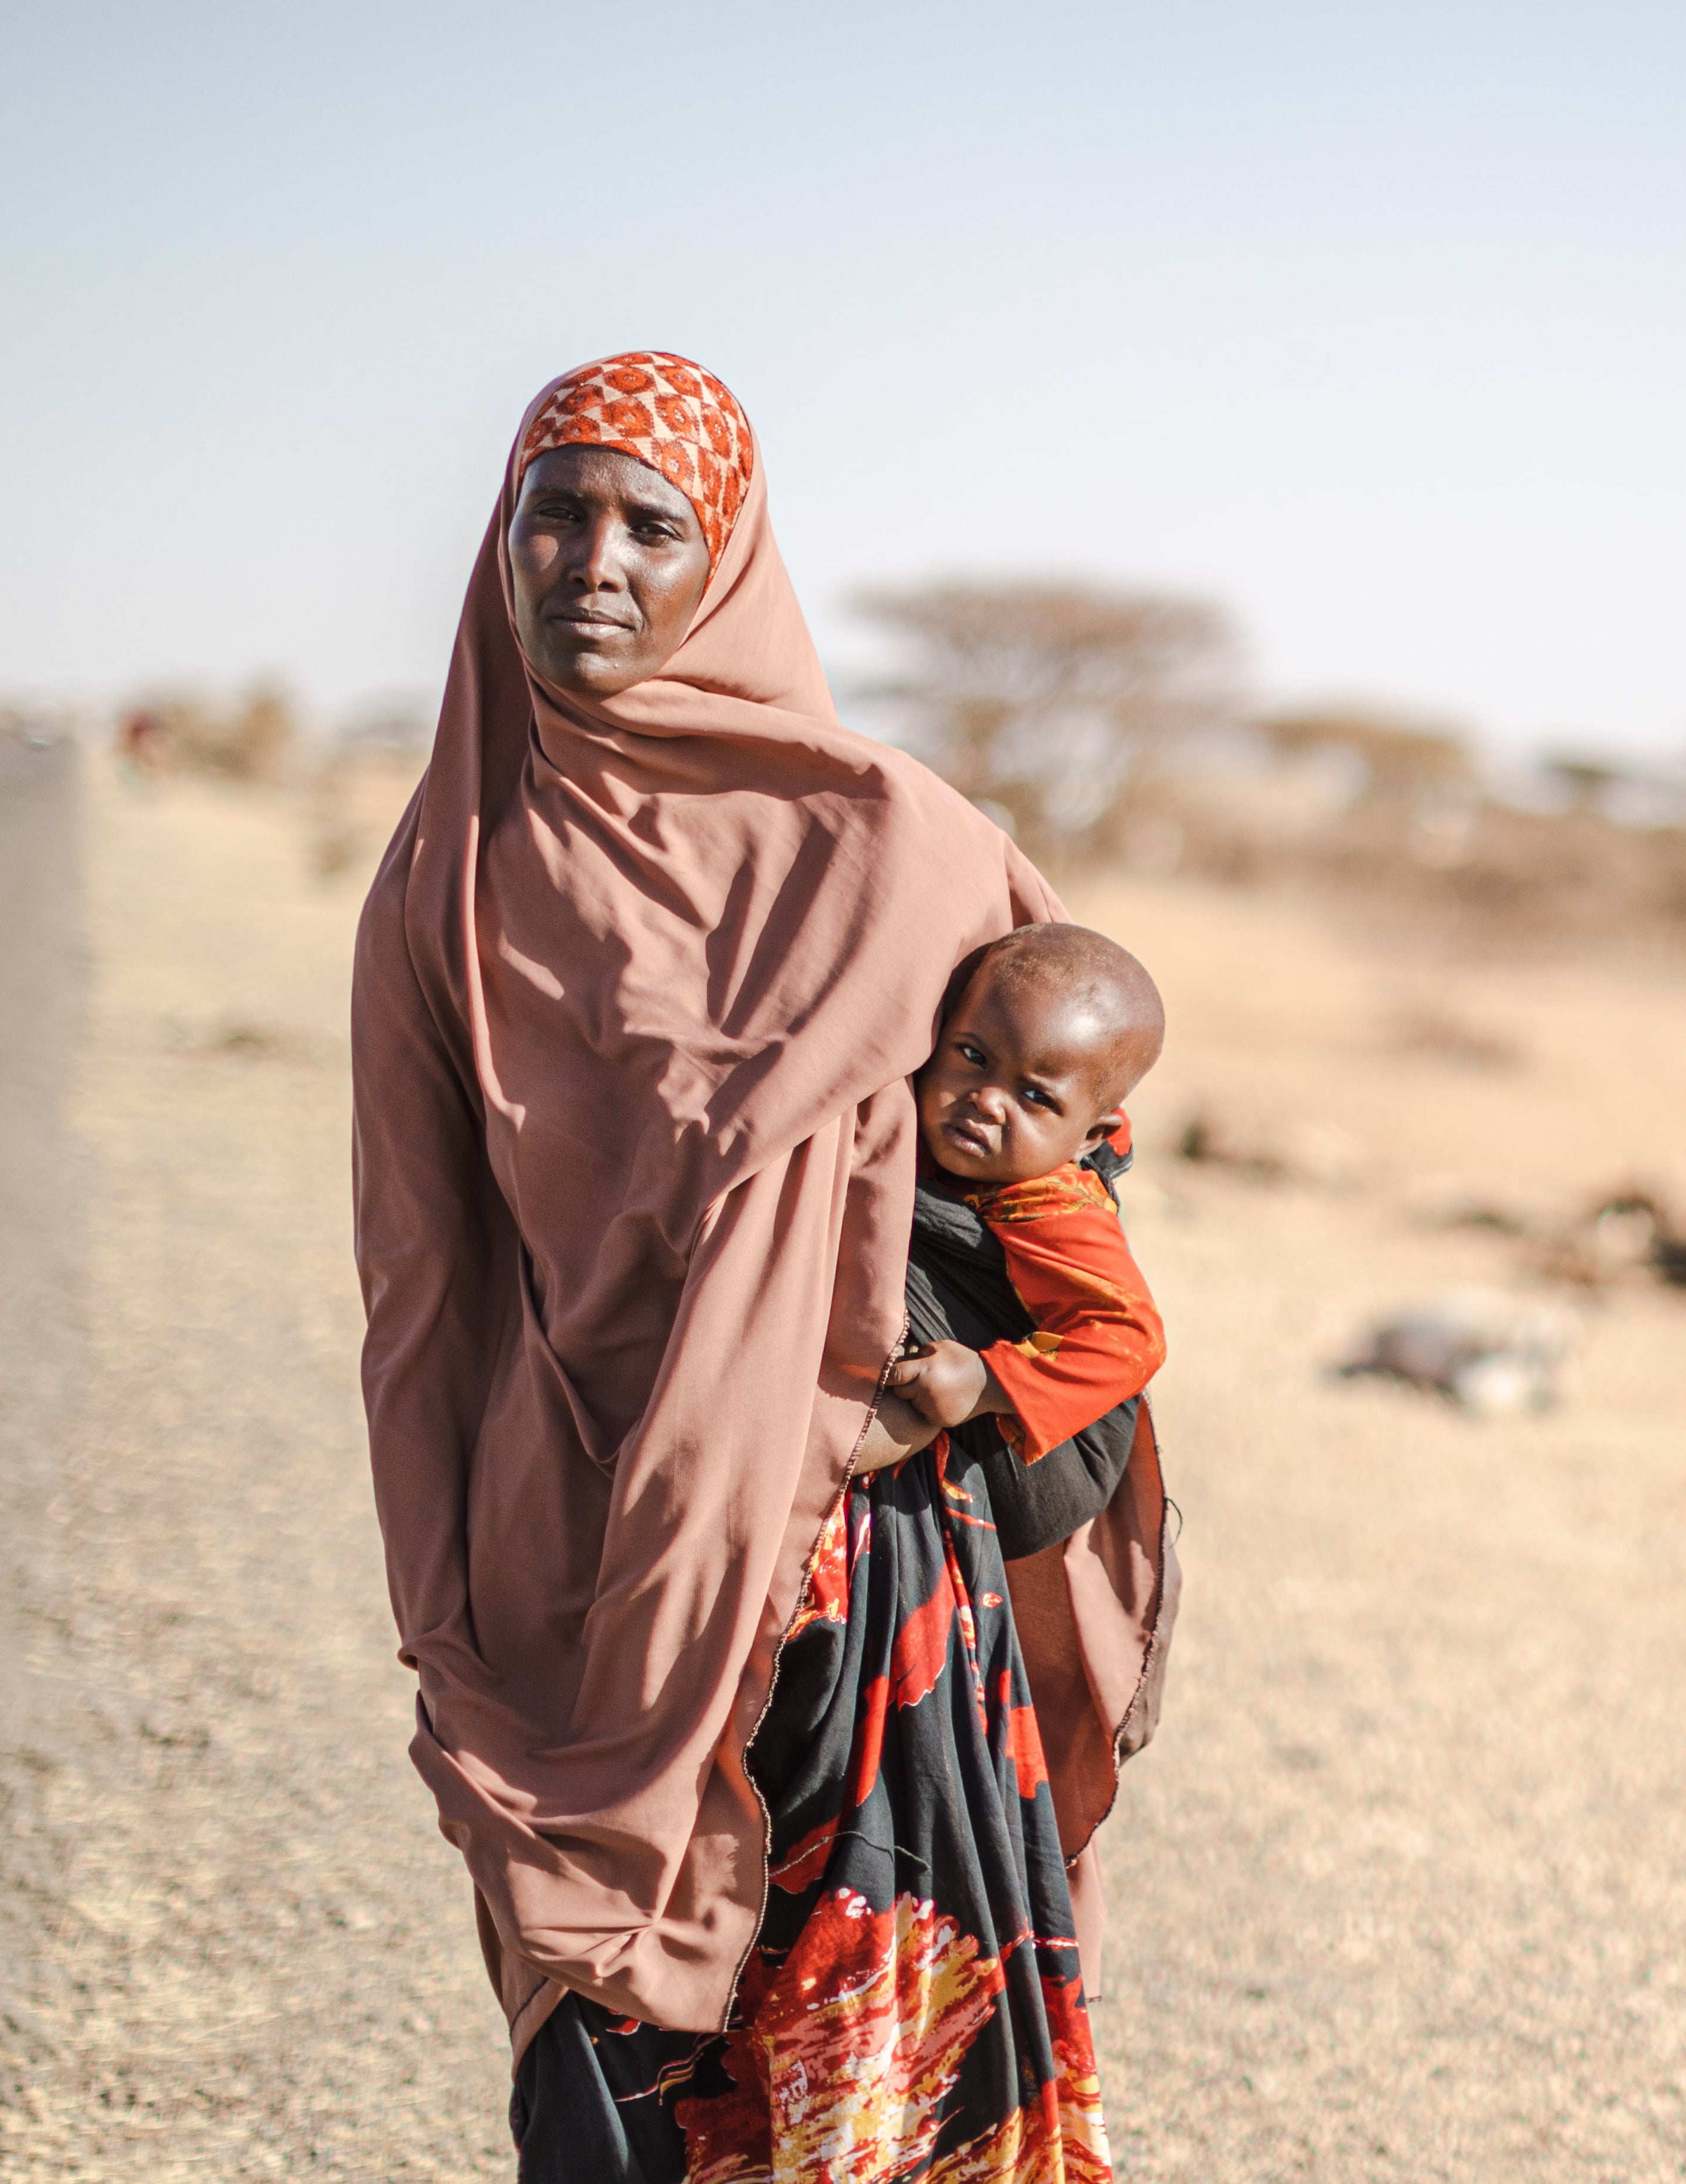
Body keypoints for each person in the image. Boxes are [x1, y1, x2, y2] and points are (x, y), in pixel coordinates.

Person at [351, 352, 1171, 2183]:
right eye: (552, 510)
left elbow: (1075, 1167)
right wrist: (445, 1606)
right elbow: (421, 1285)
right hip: (588, 1564)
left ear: (723, 556)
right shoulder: (447, 882)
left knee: (858, 2099)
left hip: (865, 1590)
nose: (592, 558)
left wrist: (956, 1390)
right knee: (606, 2091)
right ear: (498, 540)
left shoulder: (905, 848)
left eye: (651, 521)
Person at [886, 924, 1172, 1561]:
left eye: (1035, 1096)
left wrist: (987, 1381)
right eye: (972, 1057)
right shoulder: (950, 1145)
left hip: (1050, 1468)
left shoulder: (1054, 1207)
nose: (986, 1101)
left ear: (1088, 1137)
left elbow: (1131, 1338)